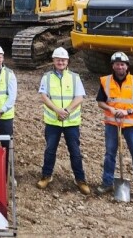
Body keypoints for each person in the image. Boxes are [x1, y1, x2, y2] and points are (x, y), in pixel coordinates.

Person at [95, 52, 133, 201]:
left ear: (127, 66)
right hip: (112, 124)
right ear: (113, 66)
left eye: (122, 64)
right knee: (110, 155)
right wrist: (111, 109)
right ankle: (107, 183)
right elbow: (100, 102)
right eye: (117, 64)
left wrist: (127, 111)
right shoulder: (106, 81)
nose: (119, 67)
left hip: (131, 126)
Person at [36, 47, 90, 195]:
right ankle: (46, 176)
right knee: (50, 150)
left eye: (63, 60)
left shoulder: (74, 77)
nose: (61, 62)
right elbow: (44, 96)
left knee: (75, 152)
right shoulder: (46, 77)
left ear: (67, 61)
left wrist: (66, 111)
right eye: (58, 59)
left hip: (71, 122)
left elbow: (79, 97)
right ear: (53, 61)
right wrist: (57, 110)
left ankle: (80, 179)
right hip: (53, 121)